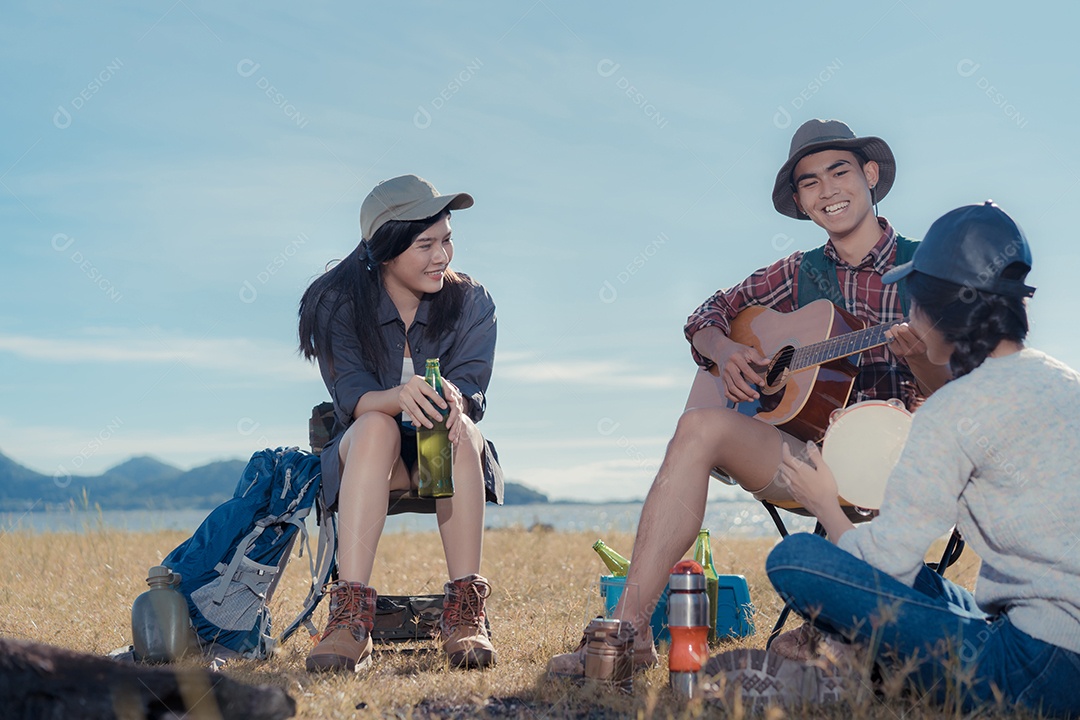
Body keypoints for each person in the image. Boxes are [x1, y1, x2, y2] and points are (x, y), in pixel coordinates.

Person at [548, 118, 953, 677]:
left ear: (871, 174)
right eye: (809, 182)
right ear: (801, 201)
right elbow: (706, 315)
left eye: (839, 171)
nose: (827, 190)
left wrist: (919, 358)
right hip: (805, 462)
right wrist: (725, 353)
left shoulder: (927, 266)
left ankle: (847, 634)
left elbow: (958, 391)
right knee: (698, 428)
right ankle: (630, 632)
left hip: (892, 473)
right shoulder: (798, 272)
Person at [710, 201, 1080, 717]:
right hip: (1047, 636)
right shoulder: (1063, 379)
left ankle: (848, 676)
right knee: (931, 585)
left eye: (915, 300)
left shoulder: (954, 410)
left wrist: (824, 504)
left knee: (794, 559)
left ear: (935, 311)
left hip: (1031, 671)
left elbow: (883, 567)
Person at [298, 174, 503, 673]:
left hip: (444, 464)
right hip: (372, 461)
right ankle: (350, 618)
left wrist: (457, 398)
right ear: (386, 250)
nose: (442, 256)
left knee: (457, 428)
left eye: (447, 239)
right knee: (375, 425)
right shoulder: (337, 302)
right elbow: (351, 397)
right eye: (425, 244)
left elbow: (473, 389)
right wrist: (397, 395)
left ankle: (464, 614)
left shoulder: (472, 301)